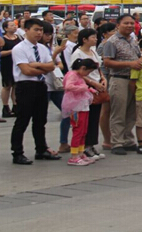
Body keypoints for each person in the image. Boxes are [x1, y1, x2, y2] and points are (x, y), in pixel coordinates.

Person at [10, 18, 62, 165]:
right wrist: (41, 67)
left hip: (41, 85)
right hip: (25, 86)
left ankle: (41, 149)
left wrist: (36, 65)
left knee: (40, 120)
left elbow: (51, 66)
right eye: (36, 30)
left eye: (41, 30)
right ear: (26, 30)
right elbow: (25, 70)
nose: (39, 33)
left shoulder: (43, 48)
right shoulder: (19, 48)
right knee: (23, 120)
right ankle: (17, 152)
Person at [102, 15, 142, 155]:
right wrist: (129, 64)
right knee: (118, 112)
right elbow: (107, 62)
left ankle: (128, 140)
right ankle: (116, 142)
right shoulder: (112, 42)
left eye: (132, 23)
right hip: (119, 79)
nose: (130, 26)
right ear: (118, 25)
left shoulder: (133, 40)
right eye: (126, 23)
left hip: (134, 79)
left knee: (131, 112)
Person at [70, 28, 108, 160]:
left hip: (97, 86)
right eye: (93, 37)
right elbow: (77, 73)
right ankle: (84, 146)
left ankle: (91, 144)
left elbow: (98, 68)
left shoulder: (93, 51)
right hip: (86, 88)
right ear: (84, 39)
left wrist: (103, 79)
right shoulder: (78, 53)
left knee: (94, 117)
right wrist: (93, 83)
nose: (96, 39)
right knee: (86, 118)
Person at [62, 58, 99, 166]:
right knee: (78, 130)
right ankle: (74, 155)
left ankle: (80, 152)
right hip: (76, 106)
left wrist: (89, 89)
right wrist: (82, 87)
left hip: (83, 105)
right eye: (88, 72)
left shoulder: (79, 76)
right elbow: (68, 86)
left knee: (83, 130)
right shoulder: (72, 75)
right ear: (83, 68)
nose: (88, 74)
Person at [42, 22, 71, 154]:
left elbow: (60, 65)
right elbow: (46, 65)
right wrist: (53, 57)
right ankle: (43, 145)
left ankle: (63, 142)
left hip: (56, 84)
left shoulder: (51, 48)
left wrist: (52, 60)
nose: (48, 37)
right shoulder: (39, 49)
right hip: (44, 85)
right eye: (45, 34)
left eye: (50, 34)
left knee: (68, 112)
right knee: (41, 117)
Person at [96, 22, 116, 149]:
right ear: (104, 34)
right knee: (106, 109)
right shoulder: (103, 46)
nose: (115, 33)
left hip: (112, 77)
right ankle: (107, 139)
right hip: (106, 78)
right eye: (112, 31)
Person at [0, 20, 22, 118]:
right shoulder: (2, 39)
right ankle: (5, 106)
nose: (14, 27)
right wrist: (12, 51)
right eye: (11, 25)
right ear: (5, 28)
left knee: (16, 86)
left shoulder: (18, 38)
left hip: (17, 64)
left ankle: (16, 105)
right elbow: (0, 53)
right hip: (7, 64)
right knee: (7, 85)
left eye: (14, 25)